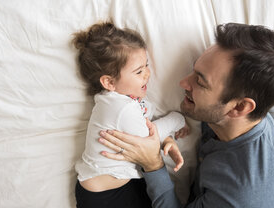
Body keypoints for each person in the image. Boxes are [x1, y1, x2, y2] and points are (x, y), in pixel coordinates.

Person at [99, 23, 274, 208]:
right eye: (194, 70)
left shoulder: (241, 196)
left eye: (200, 82)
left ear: (240, 108)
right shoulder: (244, 114)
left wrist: (153, 165)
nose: (183, 83)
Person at [73, 21, 190, 208]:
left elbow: (147, 130)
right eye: (138, 71)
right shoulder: (120, 107)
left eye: (146, 65)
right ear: (109, 82)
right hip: (103, 197)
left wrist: (167, 139)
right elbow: (148, 140)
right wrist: (178, 119)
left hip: (124, 183)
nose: (147, 74)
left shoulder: (128, 100)